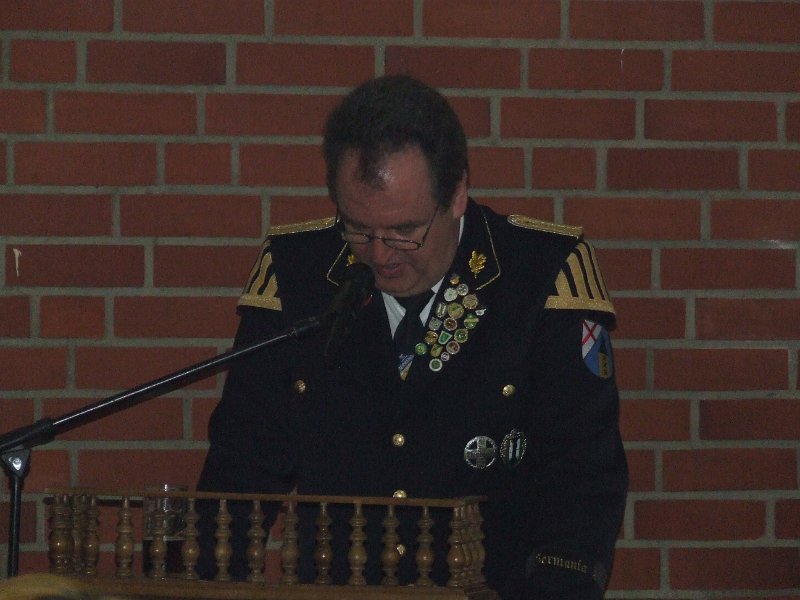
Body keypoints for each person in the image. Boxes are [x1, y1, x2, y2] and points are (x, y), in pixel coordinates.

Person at [197, 74, 628, 599]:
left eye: (405, 231)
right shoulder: (295, 276)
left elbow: (582, 480)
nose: (380, 255)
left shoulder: (542, 275)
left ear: (457, 194)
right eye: (357, 228)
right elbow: (240, 470)